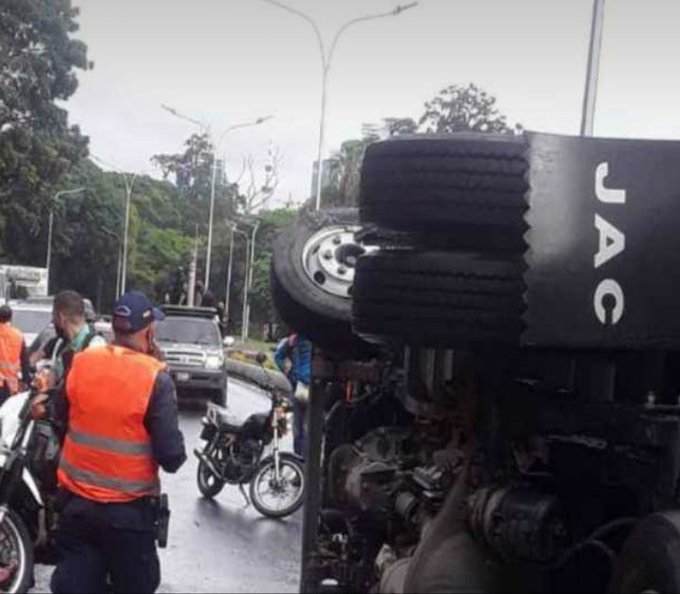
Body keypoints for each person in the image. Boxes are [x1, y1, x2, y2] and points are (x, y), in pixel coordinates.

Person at [48, 291, 186, 594]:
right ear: (148, 331)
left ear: (115, 329)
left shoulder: (82, 363)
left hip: (77, 507)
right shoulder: (155, 378)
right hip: (128, 516)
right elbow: (171, 457)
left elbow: (58, 418)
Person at [51, 291, 107, 386]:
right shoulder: (61, 345)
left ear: (61, 317)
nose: (52, 321)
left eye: (53, 315)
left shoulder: (95, 346)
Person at [274, 334, 312, 457]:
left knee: (298, 429)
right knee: (307, 429)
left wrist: (290, 374)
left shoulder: (293, 340)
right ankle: (305, 464)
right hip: (314, 388)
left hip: (298, 387)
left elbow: (278, 357)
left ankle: (298, 461)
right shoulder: (318, 338)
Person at [0, 305, 30, 401]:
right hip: (10, 386)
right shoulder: (18, 336)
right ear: (11, 318)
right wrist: (26, 381)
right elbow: (25, 361)